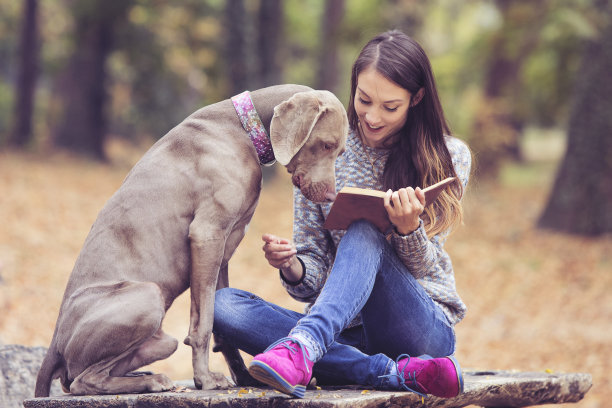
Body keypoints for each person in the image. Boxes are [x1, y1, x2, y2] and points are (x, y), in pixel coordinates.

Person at [213, 29, 472, 399]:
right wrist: (292, 266)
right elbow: (313, 275)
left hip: (419, 327)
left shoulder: (448, 156)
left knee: (364, 229)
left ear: (416, 99)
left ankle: (304, 348)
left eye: (390, 106)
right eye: (364, 100)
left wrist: (407, 229)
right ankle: (390, 373)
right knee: (224, 307)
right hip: (342, 330)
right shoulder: (323, 146)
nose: (372, 116)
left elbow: (423, 270)